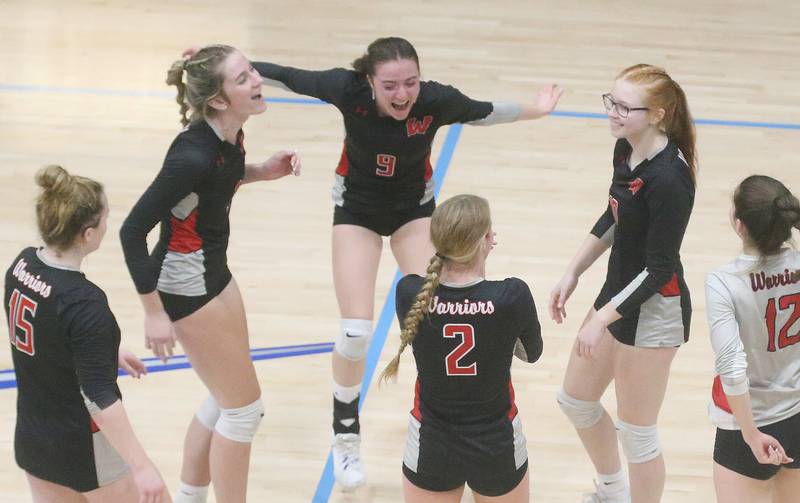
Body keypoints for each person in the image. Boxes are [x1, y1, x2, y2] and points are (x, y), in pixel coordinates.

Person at [191, 36, 559, 489]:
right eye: (390, 86)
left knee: (442, 306)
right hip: (357, 213)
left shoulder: (435, 100)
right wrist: (221, 67)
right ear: (370, 81)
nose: (402, 94)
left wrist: (538, 109)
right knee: (355, 331)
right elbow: (287, 76)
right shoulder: (347, 91)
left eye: (410, 83)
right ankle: (345, 434)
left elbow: (485, 111)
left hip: (414, 213)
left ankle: (445, 420)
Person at [118, 45, 300, 503]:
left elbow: (214, 187)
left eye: (252, 71)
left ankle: (190, 497)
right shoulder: (192, 155)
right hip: (184, 286)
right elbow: (132, 230)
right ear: (218, 99)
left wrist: (260, 172)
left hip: (214, 273)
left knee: (227, 399)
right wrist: (153, 312)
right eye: (243, 79)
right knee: (244, 410)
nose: (257, 80)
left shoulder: (230, 136)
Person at [548, 64, 697, 503]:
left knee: (638, 434)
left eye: (624, 107)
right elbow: (615, 211)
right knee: (575, 400)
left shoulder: (671, 179)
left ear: (657, 114)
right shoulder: (626, 149)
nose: (612, 113)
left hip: (654, 310)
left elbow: (659, 269)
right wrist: (574, 270)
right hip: (617, 296)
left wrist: (600, 320)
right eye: (610, 101)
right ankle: (612, 488)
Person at [5, 165, 169, 502]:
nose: (108, 220)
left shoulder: (20, 267)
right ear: (89, 235)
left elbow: (45, 333)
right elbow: (99, 397)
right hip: (84, 449)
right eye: (105, 216)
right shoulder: (86, 304)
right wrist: (142, 466)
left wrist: (100, 350)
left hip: (34, 441)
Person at [380, 194, 543, 503]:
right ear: (487, 239)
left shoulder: (410, 292)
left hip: (432, 443)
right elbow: (531, 353)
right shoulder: (511, 295)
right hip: (497, 443)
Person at [705, 175, 800, 503]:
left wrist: (750, 434)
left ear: (740, 224)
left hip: (748, 424)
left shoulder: (723, 282)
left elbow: (732, 367)